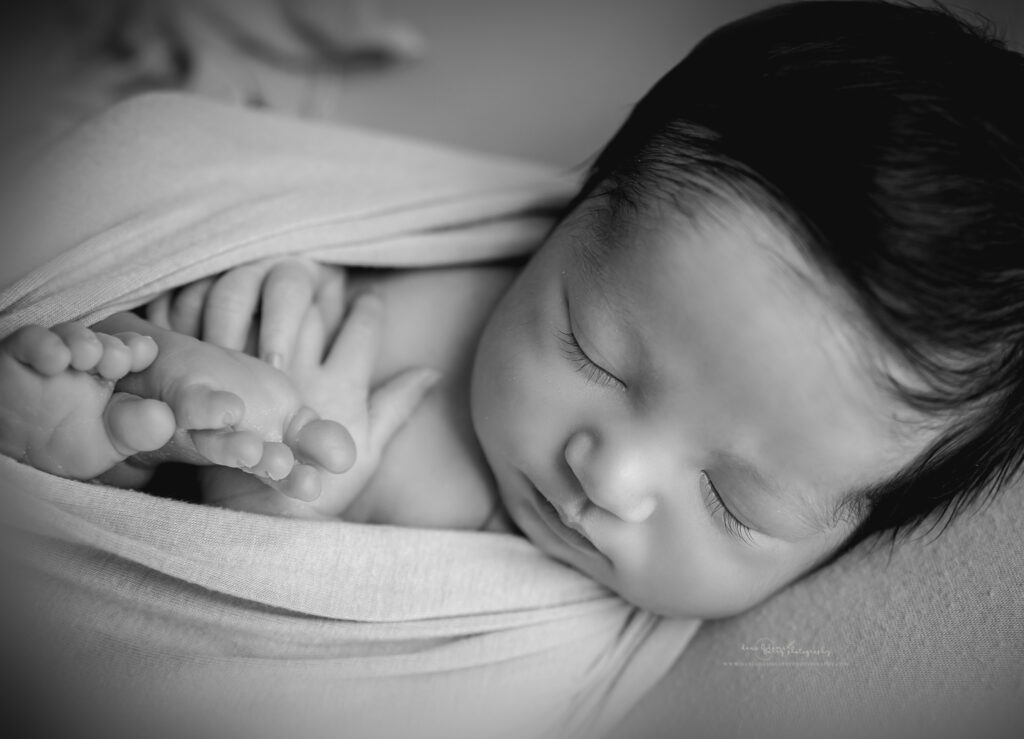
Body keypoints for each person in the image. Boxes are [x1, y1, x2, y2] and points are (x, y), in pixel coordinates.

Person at [3, 0, 1024, 619]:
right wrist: (213, 342)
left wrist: (268, 506)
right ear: (567, 218)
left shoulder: (553, 640)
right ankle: (106, 432)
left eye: (736, 503)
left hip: (191, 593)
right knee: (184, 362)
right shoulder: (442, 279)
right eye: (592, 349)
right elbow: (221, 214)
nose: (609, 475)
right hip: (183, 419)